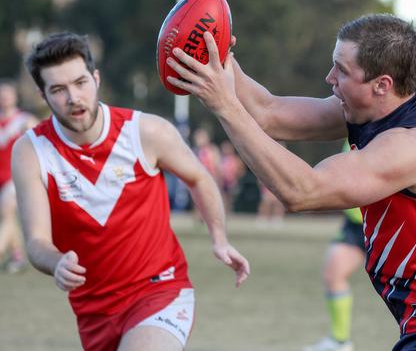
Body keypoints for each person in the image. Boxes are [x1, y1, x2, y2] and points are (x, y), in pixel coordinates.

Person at [166, 14, 416, 350]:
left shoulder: (411, 145)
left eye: (342, 70)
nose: (329, 77)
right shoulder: (378, 108)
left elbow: (302, 191)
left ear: (382, 85)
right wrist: (220, 52)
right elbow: (268, 112)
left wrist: (225, 105)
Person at [12, 32, 249, 351]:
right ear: (43, 95)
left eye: (80, 83)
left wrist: (219, 238)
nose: (73, 97)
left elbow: (199, 177)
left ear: (95, 79)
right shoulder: (32, 151)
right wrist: (56, 263)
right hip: (94, 314)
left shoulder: (145, 132)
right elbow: (37, 241)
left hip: (160, 291)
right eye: (58, 89)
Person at [304, 142, 365, 351]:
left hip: (388, 223)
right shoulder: (351, 128)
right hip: (355, 225)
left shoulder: (388, 128)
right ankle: (340, 341)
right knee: (333, 273)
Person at [0, 79, 38, 273]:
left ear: (15, 96)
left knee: (7, 209)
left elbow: (41, 144)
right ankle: (17, 257)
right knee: (8, 216)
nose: (5, 97)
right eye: (2, 93)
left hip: (15, 178)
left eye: (8, 93)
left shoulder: (25, 120)